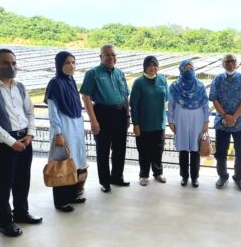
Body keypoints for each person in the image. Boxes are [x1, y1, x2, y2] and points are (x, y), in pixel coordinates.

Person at [0, 49, 42, 237]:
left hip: (25, 139)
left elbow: (30, 112)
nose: (11, 66)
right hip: (4, 141)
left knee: (23, 179)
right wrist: (12, 142)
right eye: (5, 63)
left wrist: (30, 134)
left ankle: (21, 212)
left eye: (13, 62)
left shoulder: (20, 87)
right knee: (4, 182)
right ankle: (4, 222)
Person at [80, 44, 130, 193]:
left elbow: (125, 96)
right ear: (100, 57)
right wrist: (93, 121)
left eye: (113, 55)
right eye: (107, 55)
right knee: (103, 150)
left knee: (120, 149)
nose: (111, 57)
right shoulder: (92, 73)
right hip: (103, 114)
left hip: (120, 114)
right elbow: (86, 96)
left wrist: (127, 115)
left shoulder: (120, 73)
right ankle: (105, 181)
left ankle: (117, 177)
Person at [44, 51, 88, 212]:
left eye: (73, 62)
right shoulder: (54, 83)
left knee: (74, 163)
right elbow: (53, 112)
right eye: (67, 63)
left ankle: (72, 196)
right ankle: (60, 201)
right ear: (59, 65)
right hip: (64, 129)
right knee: (62, 165)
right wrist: (58, 134)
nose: (71, 66)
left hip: (75, 127)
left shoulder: (71, 81)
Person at [209, 54, 241, 191]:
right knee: (221, 152)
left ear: (237, 63)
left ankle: (239, 178)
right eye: (227, 61)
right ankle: (223, 176)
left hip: (240, 123)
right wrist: (225, 116)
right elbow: (214, 99)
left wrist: (234, 116)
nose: (230, 63)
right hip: (221, 123)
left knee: (240, 152)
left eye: (233, 61)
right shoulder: (217, 80)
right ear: (222, 64)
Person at [167, 60, 209, 188]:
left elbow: (206, 105)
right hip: (180, 119)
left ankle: (195, 177)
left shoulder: (200, 86)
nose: (189, 71)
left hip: (198, 119)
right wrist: (171, 121)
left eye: (191, 68)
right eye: (186, 69)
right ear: (180, 70)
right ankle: (184, 176)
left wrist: (206, 121)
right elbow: (171, 105)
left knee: (195, 149)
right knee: (184, 149)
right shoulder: (174, 86)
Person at [130, 56, 169, 186]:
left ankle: (158, 173)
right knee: (144, 150)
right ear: (145, 67)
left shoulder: (163, 80)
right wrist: (135, 124)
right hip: (143, 124)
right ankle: (144, 175)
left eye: (155, 65)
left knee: (158, 150)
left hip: (159, 123)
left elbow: (167, 99)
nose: (153, 68)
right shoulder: (139, 82)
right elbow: (133, 105)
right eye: (150, 65)